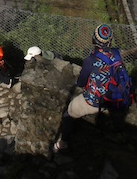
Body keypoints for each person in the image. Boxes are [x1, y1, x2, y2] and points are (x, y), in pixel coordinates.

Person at [53, 24, 127, 153]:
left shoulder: (90, 60)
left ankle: (63, 142)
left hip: (95, 101)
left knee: (68, 113)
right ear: (110, 41)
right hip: (113, 98)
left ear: (94, 39)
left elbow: (81, 83)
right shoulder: (116, 53)